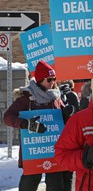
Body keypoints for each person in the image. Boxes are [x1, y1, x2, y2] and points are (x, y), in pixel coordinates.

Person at [3, 60, 69, 191]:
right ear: (39, 80)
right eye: (49, 79)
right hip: (33, 150)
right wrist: (26, 124)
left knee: (56, 185)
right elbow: (7, 117)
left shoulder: (55, 97)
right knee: (29, 184)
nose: (52, 83)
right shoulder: (26, 98)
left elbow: (64, 120)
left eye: (54, 79)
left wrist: (68, 113)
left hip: (53, 149)